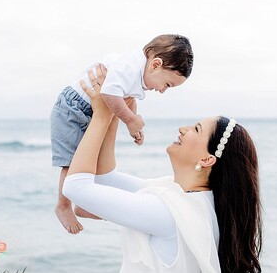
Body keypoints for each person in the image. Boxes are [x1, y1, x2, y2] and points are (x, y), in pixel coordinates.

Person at [62, 66, 262, 273]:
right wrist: (117, 114)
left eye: (195, 129)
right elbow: (104, 178)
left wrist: (101, 114)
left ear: (208, 159)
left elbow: (76, 188)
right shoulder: (186, 199)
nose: (183, 129)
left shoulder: (167, 210)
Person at [51, 34, 194, 234]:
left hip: (89, 109)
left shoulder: (138, 73)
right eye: (167, 84)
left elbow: (127, 99)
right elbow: (109, 94)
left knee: (89, 161)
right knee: (73, 163)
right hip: (73, 109)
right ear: (155, 65)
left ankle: (84, 204)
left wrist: (133, 125)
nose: (163, 91)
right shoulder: (129, 67)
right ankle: (63, 205)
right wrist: (130, 120)